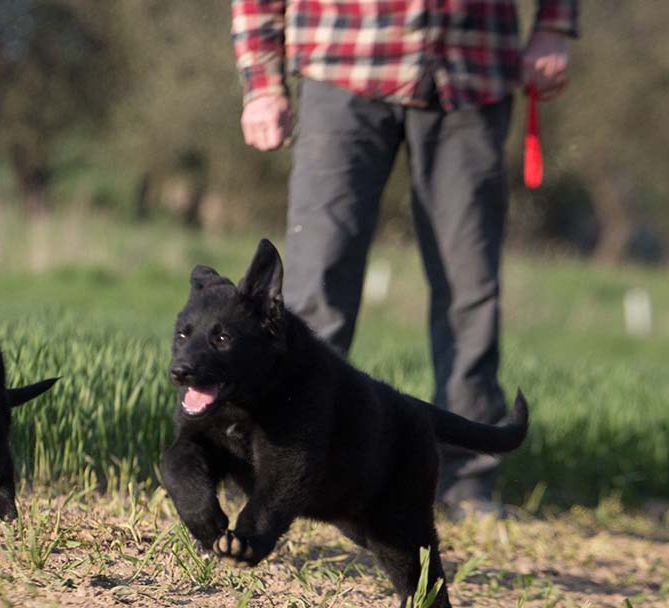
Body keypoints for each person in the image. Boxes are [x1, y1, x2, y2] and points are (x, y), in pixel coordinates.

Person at [231, 0, 576, 515]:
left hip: (472, 69)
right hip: (344, 62)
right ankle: (288, 465)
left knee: (470, 290)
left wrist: (552, 25)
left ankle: (465, 481)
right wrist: (262, 80)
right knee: (315, 288)